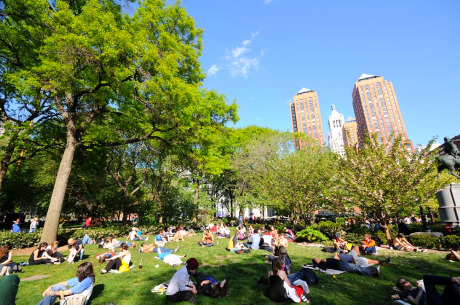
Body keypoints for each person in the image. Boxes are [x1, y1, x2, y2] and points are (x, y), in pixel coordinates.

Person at [312, 254, 380, 277]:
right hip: (340, 266)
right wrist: (319, 265)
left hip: (341, 263)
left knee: (357, 267)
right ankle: (374, 272)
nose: (318, 258)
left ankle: (374, 270)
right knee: (356, 269)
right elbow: (323, 268)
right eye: (316, 259)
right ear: (317, 262)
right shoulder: (321, 264)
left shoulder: (323, 261)